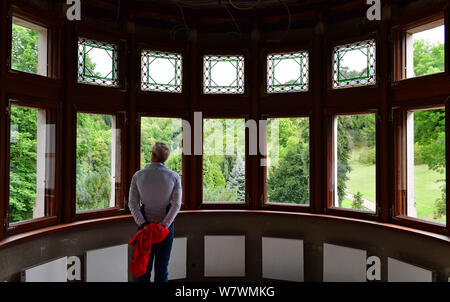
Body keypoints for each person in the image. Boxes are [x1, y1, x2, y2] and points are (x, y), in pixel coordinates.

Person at [128, 142, 182, 282]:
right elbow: (176, 205)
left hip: (145, 230)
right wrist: (163, 226)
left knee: (143, 269)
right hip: (165, 231)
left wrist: (144, 224)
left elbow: (132, 203)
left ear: (153, 156)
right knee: (162, 270)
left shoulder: (138, 175)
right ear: (165, 158)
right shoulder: (174, 176)